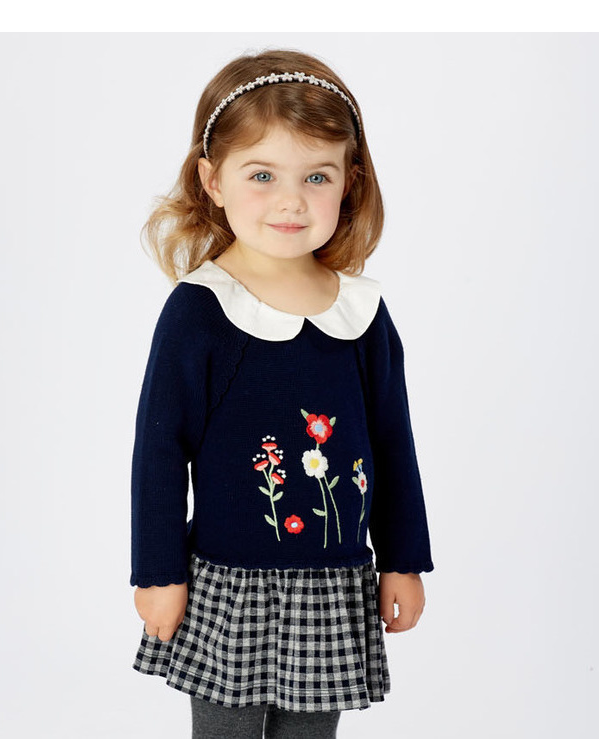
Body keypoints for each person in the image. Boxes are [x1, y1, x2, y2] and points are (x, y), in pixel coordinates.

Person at [130, 49, 434, 739]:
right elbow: (159, 450)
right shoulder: (200, 310)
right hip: (227, 586)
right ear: (213, 179)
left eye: (316, 176)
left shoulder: (360, 312)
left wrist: (403, 560)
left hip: (332, 589)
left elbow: (393, 444)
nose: (291, 200)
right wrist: (157, 572)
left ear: (350, 183)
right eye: (262, 174)